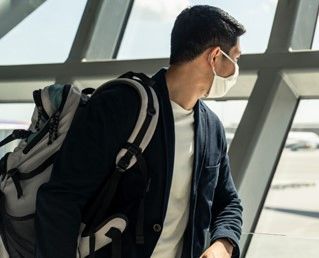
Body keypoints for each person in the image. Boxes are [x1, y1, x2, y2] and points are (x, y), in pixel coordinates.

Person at [35, 5, 244, 258]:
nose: (235, 71)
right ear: (214, 57)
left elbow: (228, 202)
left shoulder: (212, 128)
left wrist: (224, 243)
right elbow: (62, 199)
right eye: (235, 59)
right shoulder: (121, 105)